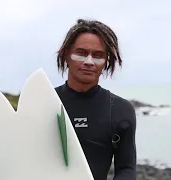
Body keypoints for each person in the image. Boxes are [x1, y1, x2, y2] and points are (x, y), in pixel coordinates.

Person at [55, 19, 137, 180]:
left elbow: (126, 169)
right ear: (66, 55)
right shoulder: (43, 102)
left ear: (106, 61)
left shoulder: (119, 109)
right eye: (81, 53)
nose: (89, 62)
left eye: (98, 55)